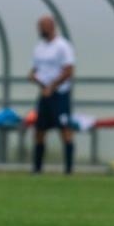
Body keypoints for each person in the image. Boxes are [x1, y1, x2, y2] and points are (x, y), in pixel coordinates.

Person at [30, 16, 76, 174]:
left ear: (52, 26)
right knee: (39, 130)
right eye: (39, 26)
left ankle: (69, 169)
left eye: (43, 26)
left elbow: (68, 71)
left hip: (60, 94)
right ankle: (37, 168)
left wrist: (53, 86)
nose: (41, 29)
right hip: (44, 93)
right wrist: (33, 77)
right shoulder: (39, 47)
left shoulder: (63, 46)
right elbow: (35, 69)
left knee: (64, 129)